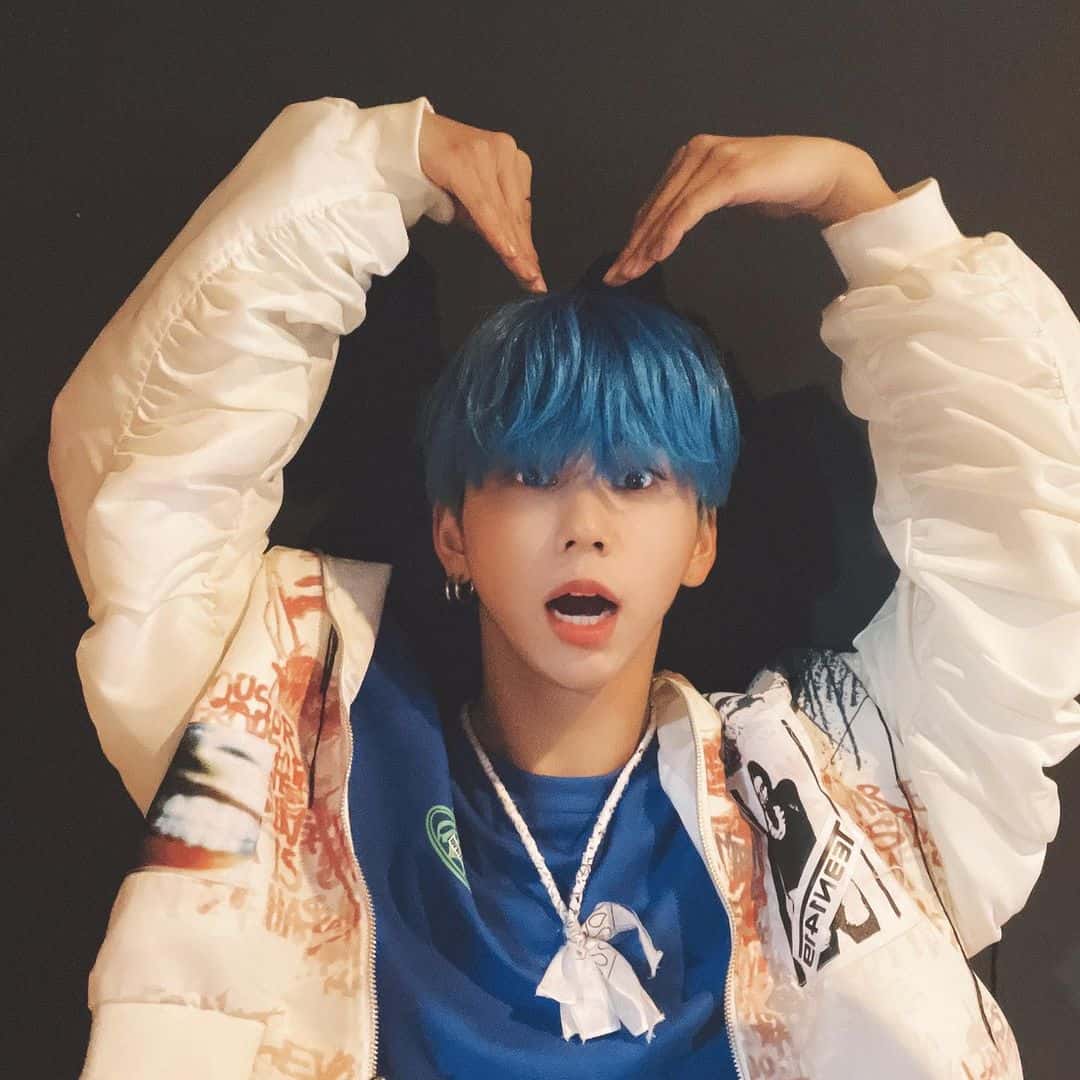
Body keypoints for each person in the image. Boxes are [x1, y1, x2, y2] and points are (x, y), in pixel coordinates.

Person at [48, 93, 1080, 1079]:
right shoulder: (294, 740)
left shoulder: (831, 792)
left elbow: (1026, 564)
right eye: (532, 475)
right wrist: (376, 163)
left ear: (702, 540)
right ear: (452, 533)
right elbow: (147, 490)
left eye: (636, 480)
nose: (585, 527)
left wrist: (864, 207)